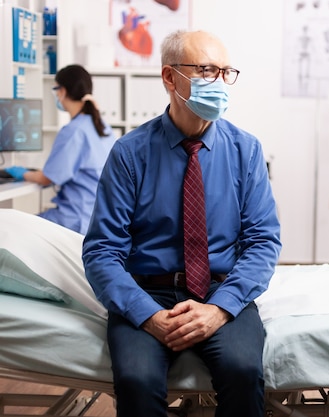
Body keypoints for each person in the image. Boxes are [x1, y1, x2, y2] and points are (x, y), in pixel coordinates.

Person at [82, 29, 281, 417]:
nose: (220, 83)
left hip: (219, 292)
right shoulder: (129, 154)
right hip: (148, 294)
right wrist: (146, 314)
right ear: (170, 78)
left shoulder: (246, 151)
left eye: (226, 72)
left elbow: (263, 242)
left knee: (243, 372)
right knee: (137, 381)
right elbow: (102, 251)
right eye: (206, 70)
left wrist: (220, 308)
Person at [4, 64, 117, 234]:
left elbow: (46, 178)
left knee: (12, 228)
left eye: (56, 89)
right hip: (101, 221)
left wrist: (20, 172)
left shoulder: (74, 131)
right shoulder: (103, 127)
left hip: (76, 221)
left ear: (62, 91)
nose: (56, 94)